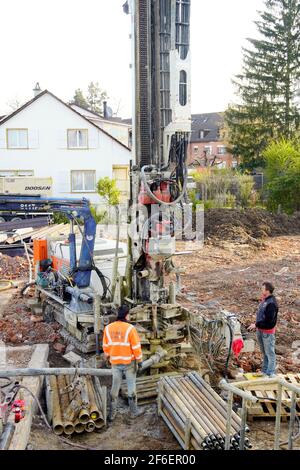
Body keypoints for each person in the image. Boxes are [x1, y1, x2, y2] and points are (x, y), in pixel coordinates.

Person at [102, 305, 144, 420]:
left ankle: (112, 413)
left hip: (115, 363)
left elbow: (105, 347)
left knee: (115, 387)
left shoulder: (108, 328)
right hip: (129, 364)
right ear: (126, 315)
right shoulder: (130, 329)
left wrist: (108, 357)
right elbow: (136, 347)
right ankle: (134, 412)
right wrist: (139, 361)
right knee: (131, 388)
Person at [248, 282, 279, 378]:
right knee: (264, 352)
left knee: (270, 352)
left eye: (263, 289)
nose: (261, 290)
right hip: (260, 330)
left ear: (267, 291)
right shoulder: (265, 300)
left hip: (267, 332)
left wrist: (256, 324)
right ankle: (265, 371)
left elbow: (269, 321)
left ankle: (270, 373)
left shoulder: (272, 303)